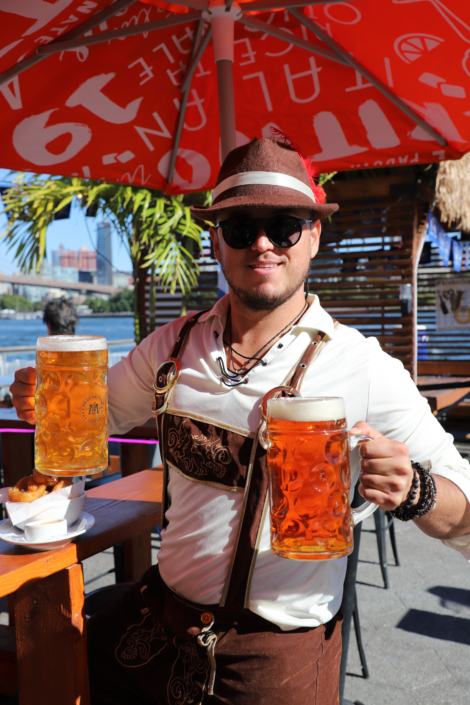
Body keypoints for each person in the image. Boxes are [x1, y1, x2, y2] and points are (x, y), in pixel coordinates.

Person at [10, 138, 470, 705]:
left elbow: (466, 509)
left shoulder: (363, 366)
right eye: (239, 226)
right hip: (158, 623)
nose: (261, 244)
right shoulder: (172, 346)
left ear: (314, 236)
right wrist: (43, 402)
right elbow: (94, 418)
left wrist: (418, 492)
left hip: (274, 655)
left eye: (283, 227)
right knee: (46, 672)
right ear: (216, 239)